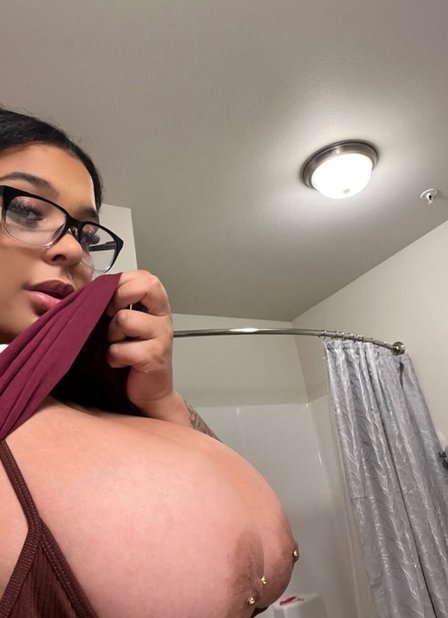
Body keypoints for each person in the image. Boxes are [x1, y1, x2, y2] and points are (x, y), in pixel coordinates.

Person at [0, 108, 297, 617]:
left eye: (86, 234)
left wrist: (163, 399)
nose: (72, 248)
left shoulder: (93, 388)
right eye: (27, 210)